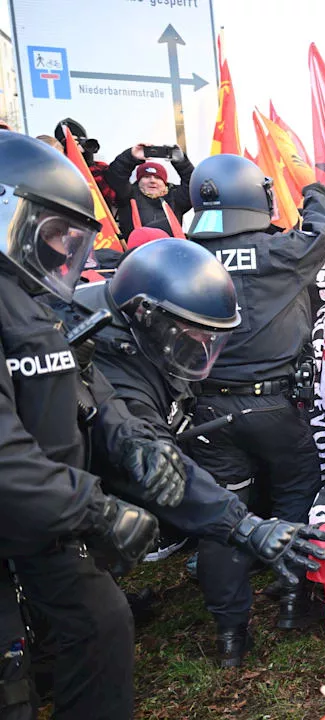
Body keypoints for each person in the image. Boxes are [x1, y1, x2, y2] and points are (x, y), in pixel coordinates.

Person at [74, 239, 325, 664]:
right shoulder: (108, 349)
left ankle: (232, 634)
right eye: (190, 337)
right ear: (147, 317)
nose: (200, 349)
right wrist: (245, 525)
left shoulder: (140, 339)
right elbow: (134, 431)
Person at [0, 132, 173, 720]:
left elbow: (85, 397)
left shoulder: (27, 302)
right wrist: (97, 510)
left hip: (39, 518)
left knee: (99, 625)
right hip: (36, 506)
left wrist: (136, 446)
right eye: (52, 233)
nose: (60, 255)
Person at [183, 154, 325, 665]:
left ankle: (231, 637)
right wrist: (315, 191)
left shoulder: (186, 255)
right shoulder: (279, 252)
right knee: (296, 490)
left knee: (224, 516)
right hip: (275, 405)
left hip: (207, 411)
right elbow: (323, 231)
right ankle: (293, 600)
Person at [105, 143, 194, 238]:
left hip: (171, 250)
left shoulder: (175, 198)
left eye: (157, 178)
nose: (152, 181)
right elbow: (116, 176)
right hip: (135, 251)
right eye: (146, 177)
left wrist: (182, 162)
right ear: (138, 181)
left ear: (165, 182)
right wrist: (131, 156)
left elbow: (194, 185)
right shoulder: (128, 194)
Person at [53, 118, 113, 208]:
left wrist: (89, 165)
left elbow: (112, 196)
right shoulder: (58, 170)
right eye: (70, 143)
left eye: (79, 141)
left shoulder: (101, 167)